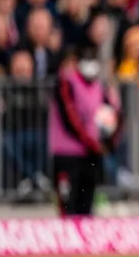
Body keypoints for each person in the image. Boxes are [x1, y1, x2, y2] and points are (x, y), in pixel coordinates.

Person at [49, 45, 118, 215]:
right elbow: (70, 119)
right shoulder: (66, 83)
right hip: (67, 153)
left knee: (86, 203)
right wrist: (91, 142)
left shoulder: (101, 87)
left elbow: (113, 115)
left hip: (91, 154)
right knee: (67, 204)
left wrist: (108, 143)